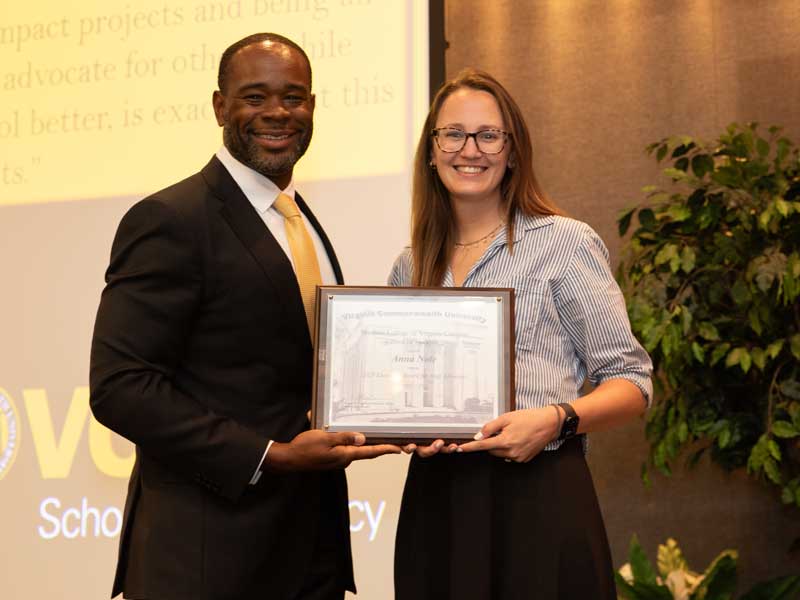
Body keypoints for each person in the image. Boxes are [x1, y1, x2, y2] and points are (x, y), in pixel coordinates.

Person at [90, 33, 399, 600]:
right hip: (206, 561)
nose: (278, 113)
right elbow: (121, 388)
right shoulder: (171, 219)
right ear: (219, 107)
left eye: (295, 97)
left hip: (309, 551)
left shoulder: (298, 219)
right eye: (254, 97)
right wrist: (271, 456)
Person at [388, 69, 653, 599]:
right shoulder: (409, 266)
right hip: (435, 499)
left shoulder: (565, 242)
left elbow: (633, 382)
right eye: (454, 134)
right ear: (431, 151)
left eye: (489, 135)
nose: (471, 149)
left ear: (512, 151)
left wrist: (559, 418)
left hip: (540, 493)